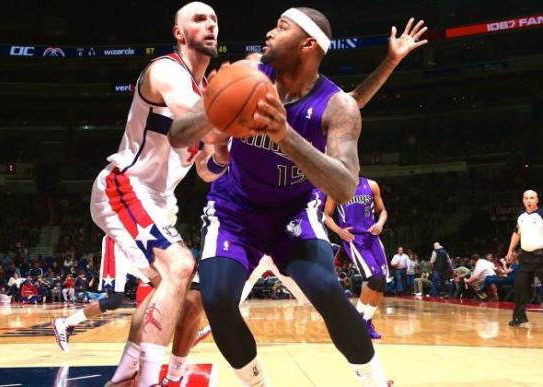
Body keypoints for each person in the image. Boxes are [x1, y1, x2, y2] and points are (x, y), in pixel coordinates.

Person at [169, 7, 429, 386]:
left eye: (281, 27)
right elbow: (178, 133)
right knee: (218, 300)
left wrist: (284, 134)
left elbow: (342, 187)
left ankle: (374, 381)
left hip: (292, 212)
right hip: (234, 210)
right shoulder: (249, 71)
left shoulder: (337, 106)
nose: (270, 33)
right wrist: (217, 106)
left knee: (328, 291)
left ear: (308, 44)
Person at [53, 3, 229, 386]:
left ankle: (124, 376)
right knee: (179, 266)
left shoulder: (205, 92)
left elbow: (205, 169)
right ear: (179, 33)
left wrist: (224, 152)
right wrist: (238, 105)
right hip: (125, 185)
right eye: (199, 19)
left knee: (184, 292)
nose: (210, 24)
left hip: (160, 201)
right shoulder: (167, 70)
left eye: (214, 19)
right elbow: (193, 117)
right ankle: (148, 381)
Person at [324, 177, 389, 339]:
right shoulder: (336, 187)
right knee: (374, 278)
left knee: (382, 281)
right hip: (353, 239)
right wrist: (339, 231)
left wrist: (380, 223)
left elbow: (383, 211)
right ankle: (356, 321)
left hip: (373, 237)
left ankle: (367, 322)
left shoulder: (371, 185)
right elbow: (326, 215)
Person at [506, 190, 543, 327]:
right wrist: (510, 250)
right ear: (523, 200)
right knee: (520, 287)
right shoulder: (521, 216)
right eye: (526, 198)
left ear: (537, 200)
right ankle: (519, 317)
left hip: (541, 257)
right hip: (525, 257)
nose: (529, 200)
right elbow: (517, 233)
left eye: (532, 198)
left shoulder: (541, 215)